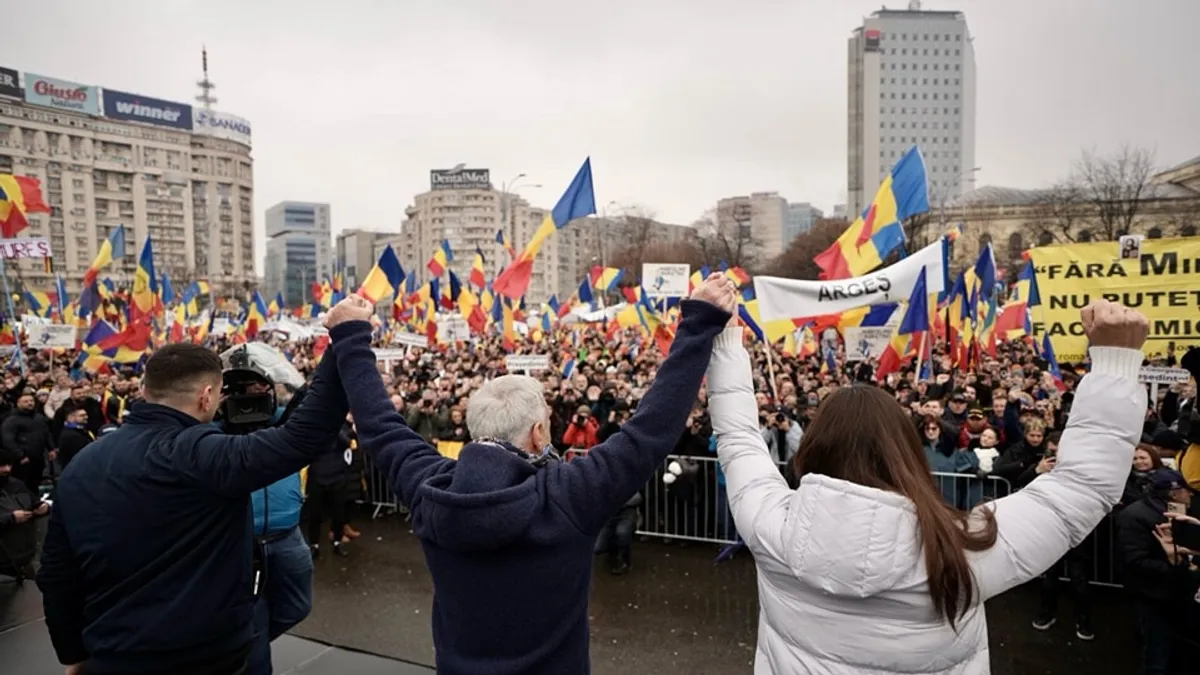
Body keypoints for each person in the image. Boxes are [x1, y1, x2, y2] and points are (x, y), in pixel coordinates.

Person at [324, 273, 736, 675]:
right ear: (540, 433)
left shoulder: (431, 489)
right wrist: (699, 321)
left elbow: (379, 427)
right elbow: (652, 429)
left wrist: (350, 339)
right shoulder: (569, 494)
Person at [708, 299, 1148, 673]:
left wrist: (725, 340)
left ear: (814, 447)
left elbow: (738, 440)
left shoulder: (769, 524)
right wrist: (1114, 363)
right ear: (906, 450)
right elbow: (1081, 488)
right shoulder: (963, 550)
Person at [36, 296, 365, 675]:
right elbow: (301, 439)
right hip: (204, 659)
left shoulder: (81, 463)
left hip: (110, 654)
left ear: (146, 390)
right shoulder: (200, 455)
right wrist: (346, 337)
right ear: (208, 396)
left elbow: (57, 574)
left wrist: (72, 653)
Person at [218, 342, 319, 675]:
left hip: (287, 536)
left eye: (261, 385)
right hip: (243, 543)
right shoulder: (215, 431)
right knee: (255, 623)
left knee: (298, 606)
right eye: (246, 388)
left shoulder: (283, 424)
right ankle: (250, 649)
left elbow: (309, 402)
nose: (255, 394)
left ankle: (241, 646)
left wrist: (287, 376)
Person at [1116, 467, 1200, 674]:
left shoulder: (1179, 511)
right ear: (1173, 492)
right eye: (1185, 490)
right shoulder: (1136, 516)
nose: (1190, 494)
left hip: (1178, 593)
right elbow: (1134, 560)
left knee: (1177, 650)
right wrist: (1175, 566)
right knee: (1156, 654)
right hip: (1154, 596)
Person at [0, 449, 49, 580]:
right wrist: (11, 519)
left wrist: (43, 507)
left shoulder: (17, 485)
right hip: (3, 560)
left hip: (25, 557)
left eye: (8, 465)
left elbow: (34, 501)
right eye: (1, 466)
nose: (6, 469)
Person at [1, 390, 55, 495]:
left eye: (31, 401)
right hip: (22, 460)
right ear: (18, 403)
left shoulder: (39, 417)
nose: (30, 403)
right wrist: (20, 455)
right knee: (22, 484)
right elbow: (8, 440)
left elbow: (46, 433)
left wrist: (51, 448)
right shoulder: (11, 420)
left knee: (35, 483)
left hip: (38, 457)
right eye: (26, 401)